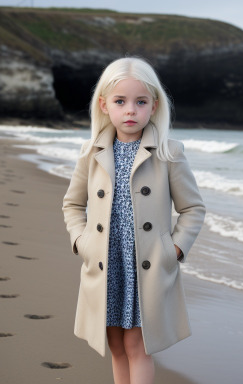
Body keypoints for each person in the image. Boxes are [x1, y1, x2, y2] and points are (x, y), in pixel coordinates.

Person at [62, 57, 206, 384]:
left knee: (137, 344)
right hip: (106, 263)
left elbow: (193, 208)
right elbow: (72, 204)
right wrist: (81, 242)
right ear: (104, 105)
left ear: (154, 106)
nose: (130, 110)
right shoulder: (91, 152)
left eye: (140, 102)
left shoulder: (169, 152)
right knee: (114, 343)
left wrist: (175, 250)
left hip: (148, 266)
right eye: (120, 102)